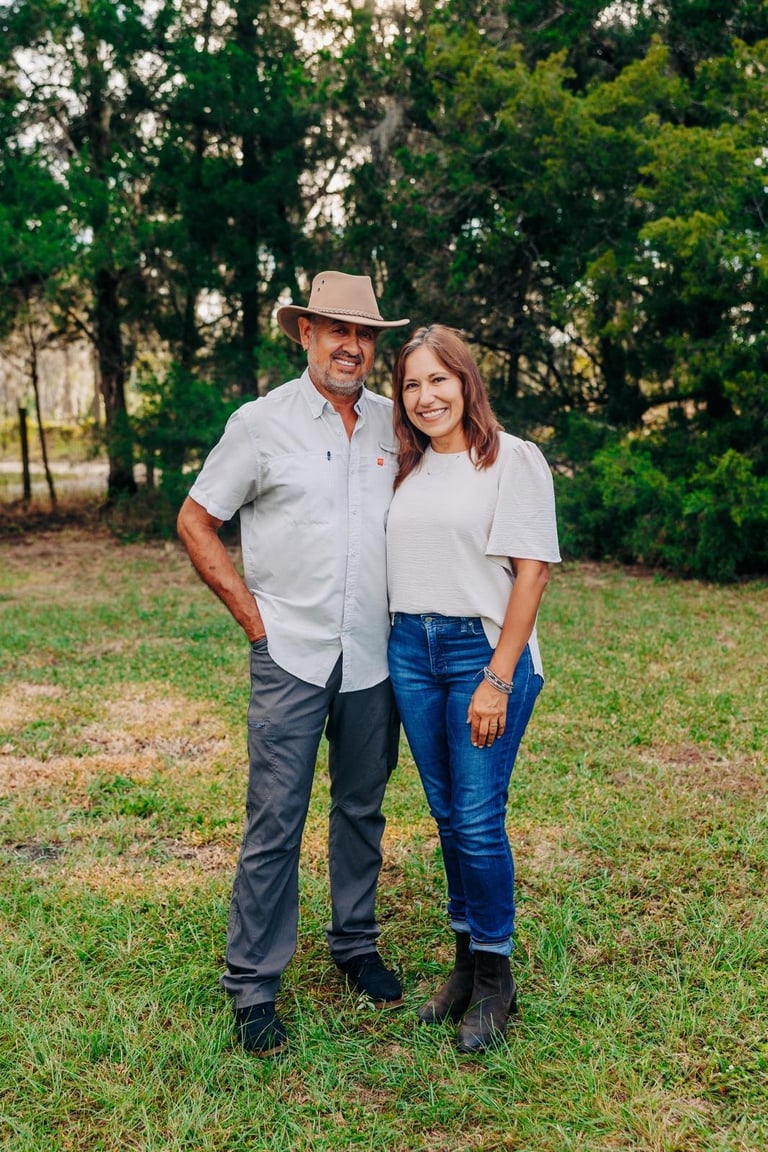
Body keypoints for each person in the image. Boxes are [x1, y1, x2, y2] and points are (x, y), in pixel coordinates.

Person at [177, 271, 409, 1057]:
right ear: (304, 333)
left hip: (376, 656)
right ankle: (251, 984)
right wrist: (255, 623)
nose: (352, 346)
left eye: (365, 334)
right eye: (336, 331)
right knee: (275, 821)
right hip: (292, 654)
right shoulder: (259, 424)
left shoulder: (394, 425)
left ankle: (355, 944)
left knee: (362, 809)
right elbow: (197, 520)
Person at [385, 324, 561, 1054]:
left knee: (480, 817)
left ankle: (496, 978)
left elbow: (533, 572)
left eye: (438, 380)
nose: (426, 397)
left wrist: (496, 677)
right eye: (411, 385)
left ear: (466, 381)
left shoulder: (513, 460)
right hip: (409, 648)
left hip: (480, 653)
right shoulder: (404, 467)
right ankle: (463, 966)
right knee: (447, 816)